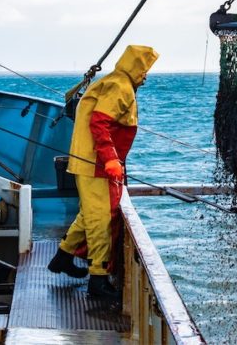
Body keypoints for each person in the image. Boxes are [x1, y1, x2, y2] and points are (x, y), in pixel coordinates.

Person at [48, 45, 159, 300]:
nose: (145, 76)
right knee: (101, 219)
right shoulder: (120, 87)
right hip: (95, 164)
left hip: (88, 161)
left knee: (90, 214)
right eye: (143, 70)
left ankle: (63, 257)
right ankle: (98, 280)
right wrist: (110, 159)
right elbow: (99, 122)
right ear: (134, 67)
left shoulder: (113, 81)